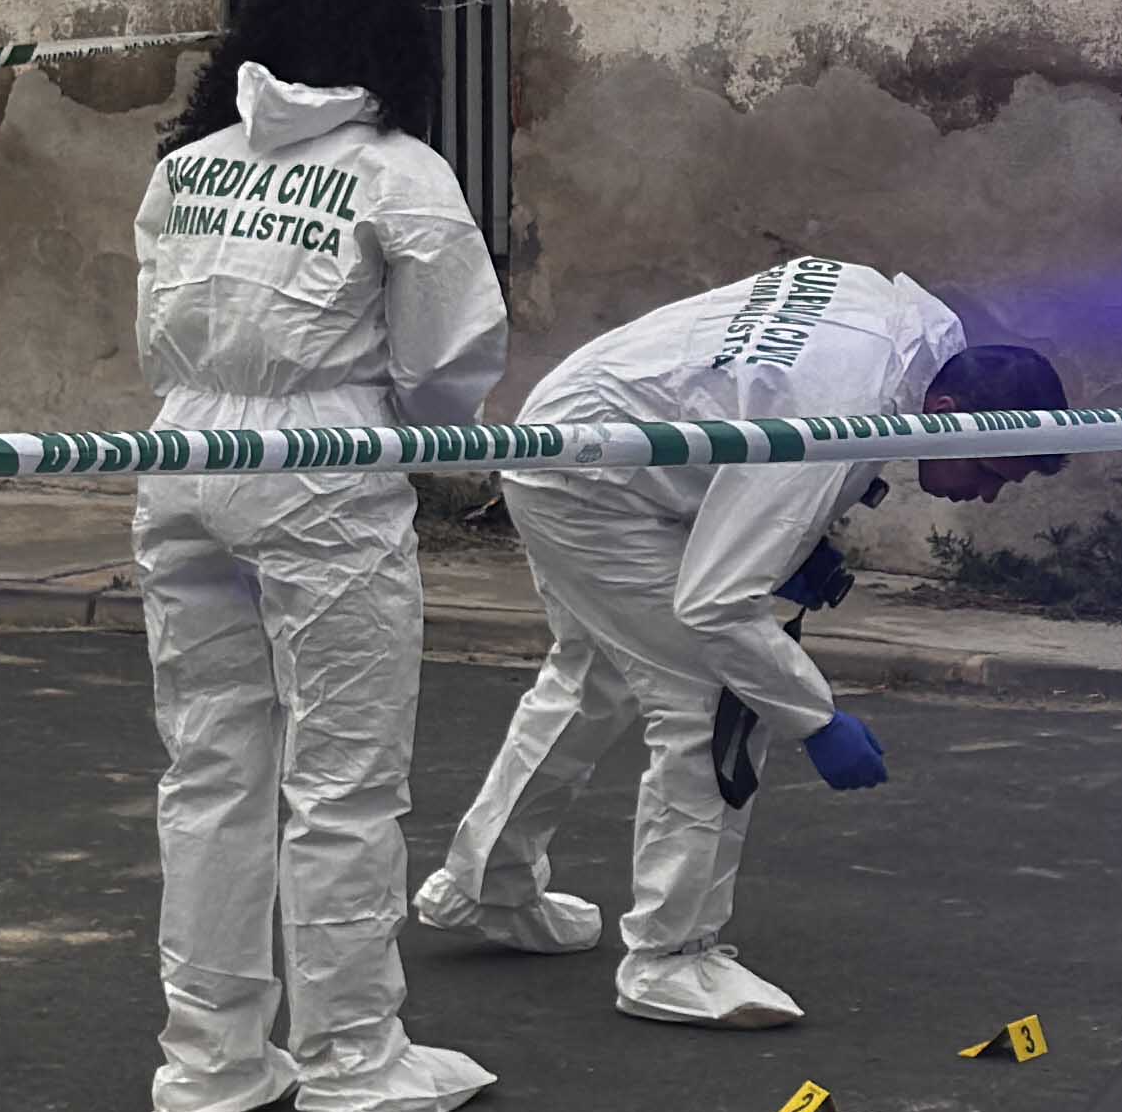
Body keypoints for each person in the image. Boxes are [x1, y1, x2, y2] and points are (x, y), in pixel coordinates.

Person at [417, 259, 1065, 1028]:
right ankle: (669, 958)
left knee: (593, 677)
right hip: (595, 479)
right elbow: (717, 606)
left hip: (574, 426)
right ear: (949, 409)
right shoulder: (835, 414)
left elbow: (739, 403)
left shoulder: (896, 336)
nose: (988, 494)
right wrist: (815, 718)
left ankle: (487, 886)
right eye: (993, 470)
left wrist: (791, 546)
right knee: (710, 701)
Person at [130, 0, 507, 1112]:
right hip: (324, 472)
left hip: (183, 462)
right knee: (343, 776)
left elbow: (157, 325)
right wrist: (420, 440)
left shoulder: (188, 169)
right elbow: (449, 365)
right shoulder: (400, 173)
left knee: (209, 770)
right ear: (396, 54)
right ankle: (350, 1054)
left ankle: (210, 1057)